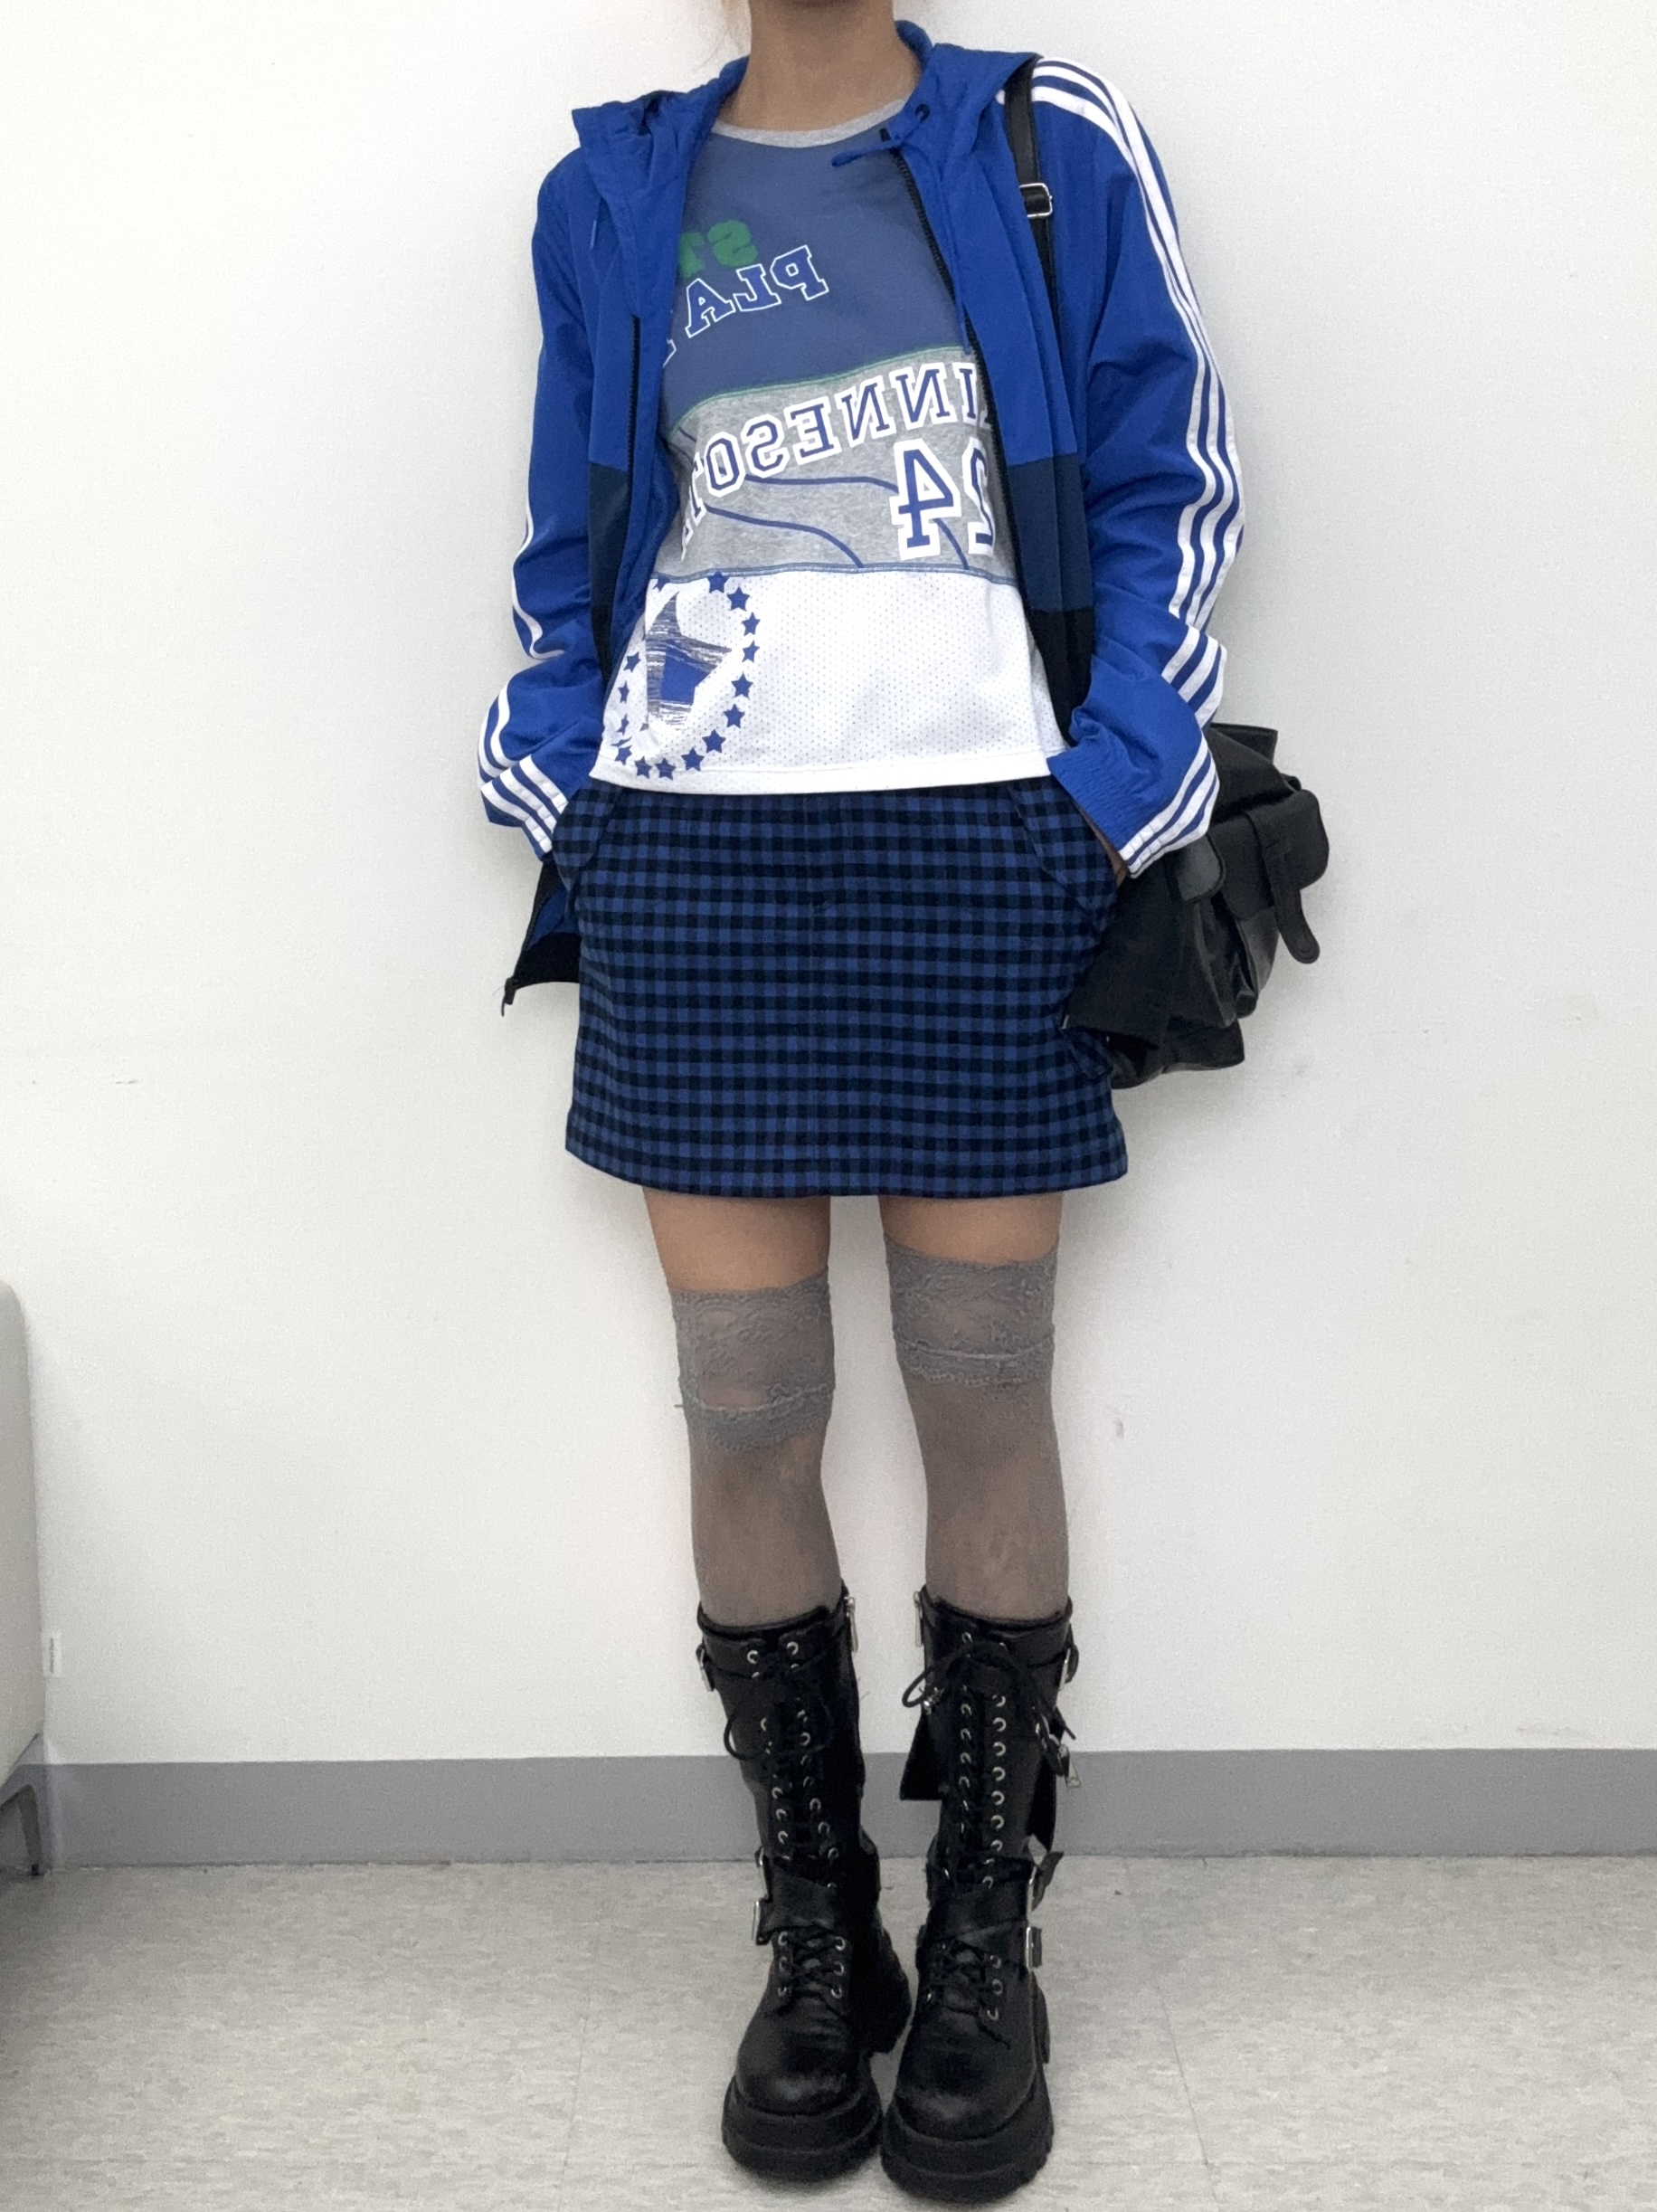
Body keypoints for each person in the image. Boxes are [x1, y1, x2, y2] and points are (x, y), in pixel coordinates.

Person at [478, 2, 1241, 2198]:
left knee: (979, 1386)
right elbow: (568, 530)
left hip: (981, 844)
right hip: (695, 851)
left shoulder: (1039, 135)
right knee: (745, 1407)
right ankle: (821, 1931)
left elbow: (1164, 466)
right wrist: (568, 769)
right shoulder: (612, 188)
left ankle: (985, 1929)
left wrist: (1100, 793)